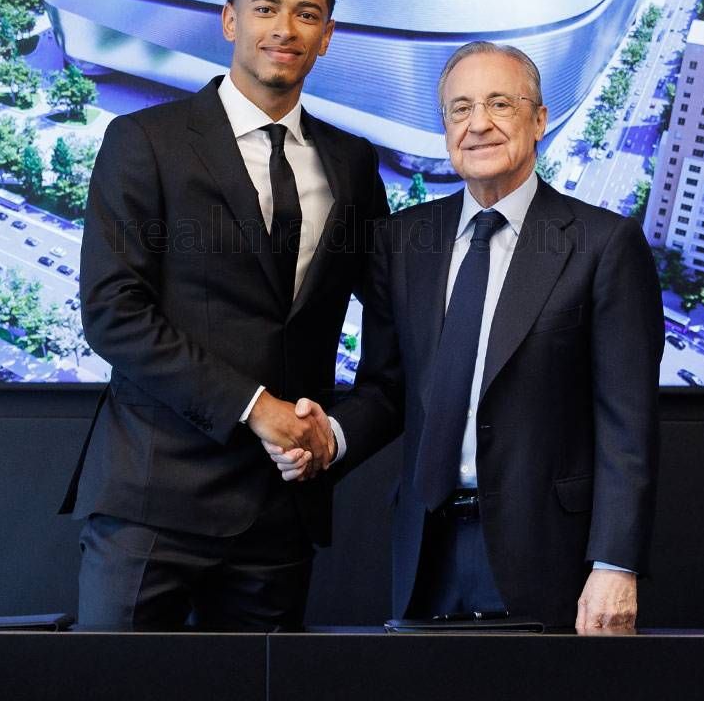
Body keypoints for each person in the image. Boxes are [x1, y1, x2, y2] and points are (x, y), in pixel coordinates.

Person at [267, 42, 663, 633]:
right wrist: (331, 437)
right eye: (459, 109)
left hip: (552, 555)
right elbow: (388, 387)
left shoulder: (603, 245)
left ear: (539, 120)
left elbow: (627, 422)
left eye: (499, 103)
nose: (478, 124)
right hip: (425, 548)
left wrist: (615, 563)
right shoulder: (403, 241)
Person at [60, 0, 387, 630]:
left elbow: (394, 332)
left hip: (281, 512)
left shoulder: (354, 163)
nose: (285, 28)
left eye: (306, 15)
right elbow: (114, 312)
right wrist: (255, 407)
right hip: (153, 498)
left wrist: (335, 432)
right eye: (267, 8)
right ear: (231, 19)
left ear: (328, 37)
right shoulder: (144, 141)